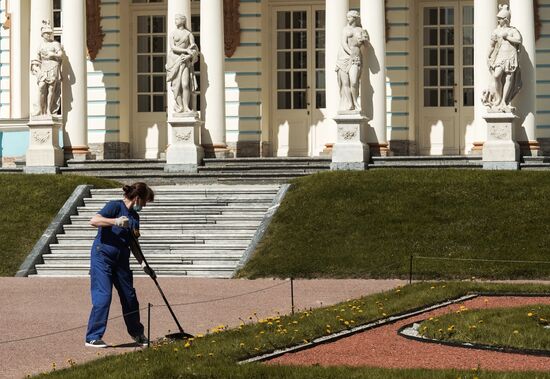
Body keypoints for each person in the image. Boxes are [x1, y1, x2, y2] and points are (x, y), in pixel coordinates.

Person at [85, 182, 155, 348]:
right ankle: (93, 337)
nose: (143, 206)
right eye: (144, 202)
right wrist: (114, 221)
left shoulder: (135, 217)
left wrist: (144, 265)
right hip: (103, 256)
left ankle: (137, 333)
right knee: (103, 296)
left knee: (129, 297)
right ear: (137, 198)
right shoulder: (114, 206)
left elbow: (133, 244)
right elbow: (94, 220)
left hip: (122, 260)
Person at [482, 4, 523, 112]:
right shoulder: (496, 31)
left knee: (509, 79)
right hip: (500, 56)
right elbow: (491, 45)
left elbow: (518, 40)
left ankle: (504, 101)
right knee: (496, 76)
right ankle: (498, 99)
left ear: (506, 19)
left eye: (500, 19)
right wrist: (488, 56)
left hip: (511, 56)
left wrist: (507, 37)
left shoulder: (513, 30)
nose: (498, 21)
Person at [335, 10, 369, 112]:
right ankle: (350, 103)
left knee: (354, 81)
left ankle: (355, 101)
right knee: (345, 83)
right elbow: (343, 43)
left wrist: (364, 40)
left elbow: (366, 45)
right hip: (343, 58)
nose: (347, 19)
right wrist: (350, 53)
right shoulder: (345, 30)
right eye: (347, 17)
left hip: (356, 58)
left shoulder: (361, 30)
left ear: (355, 18)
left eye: (349, 17)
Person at [165, 14, 199, 114]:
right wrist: (186, 50)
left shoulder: (189, 34)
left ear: (183, 21)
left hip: (185, 61)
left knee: (185, 84)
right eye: (175, 19)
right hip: (174, 60)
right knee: (176, 86)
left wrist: (189, 56)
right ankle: (180, 107)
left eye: (177, 19)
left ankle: (186, 107)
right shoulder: (172, 34)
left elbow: (194, 50)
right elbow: (173, 47)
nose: (175, 21)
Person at [31, 20, 63, 117]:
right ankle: (40, 110)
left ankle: (49, 110)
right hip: (44, 67)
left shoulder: (55, 44)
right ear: (43, 34)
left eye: (50, 33)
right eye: (47, 33)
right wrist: (35, 67)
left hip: (53, 66)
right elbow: (36, 59)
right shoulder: (40, 45)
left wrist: (52, 54)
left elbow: (60, 54)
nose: (49, 35)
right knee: (41, 87)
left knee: (51, 89)